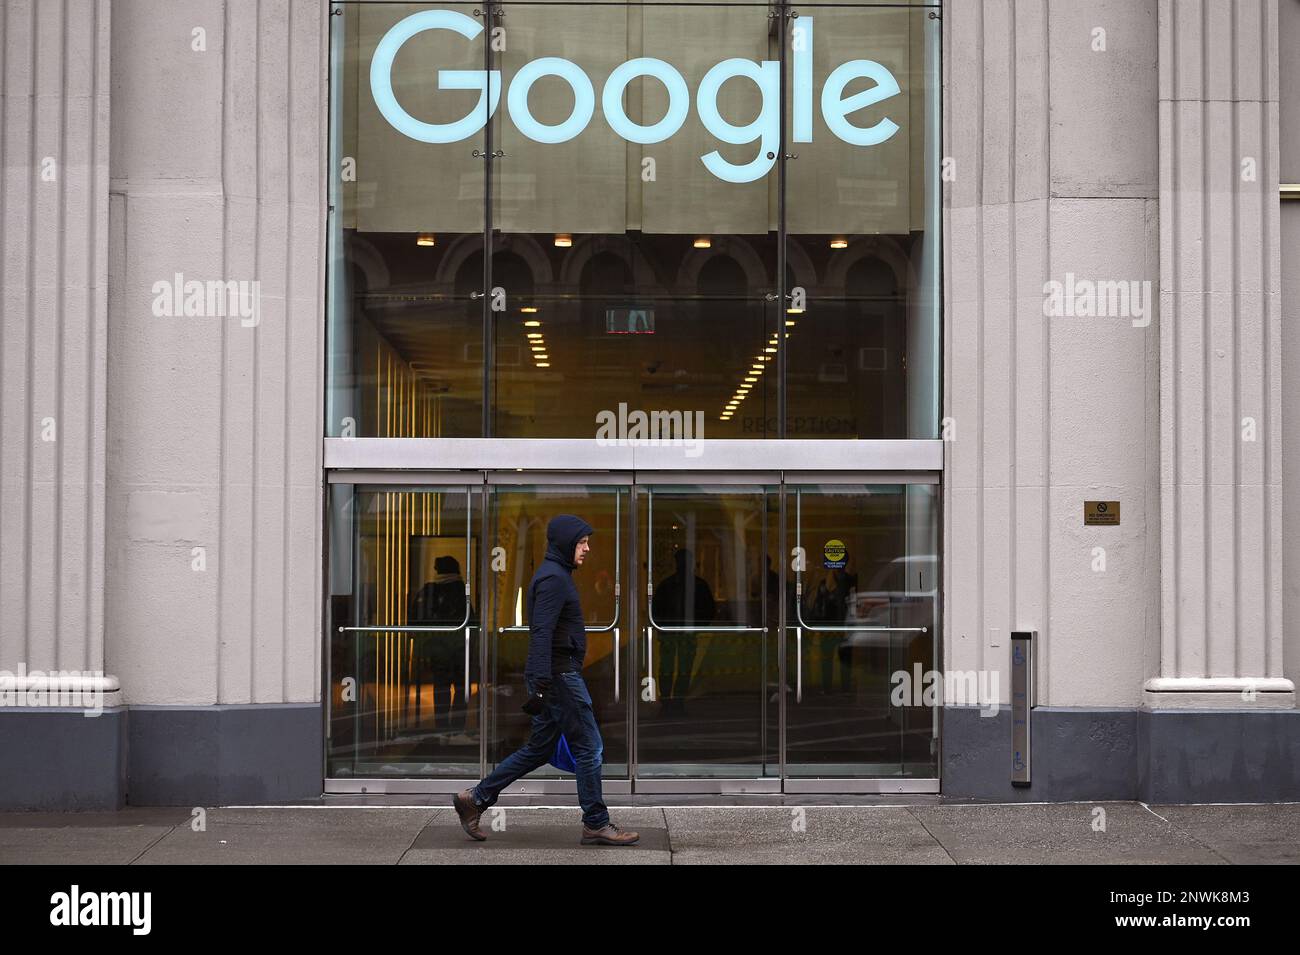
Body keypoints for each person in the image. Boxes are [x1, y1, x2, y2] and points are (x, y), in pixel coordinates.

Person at [453, 515, 639, 846]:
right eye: (582, 542)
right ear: (567, 543)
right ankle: (596, 822)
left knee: (539, 749)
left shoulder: (557, 575)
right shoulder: (553, 579)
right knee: (589, 747)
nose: (587, 548)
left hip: (556, 675)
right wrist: (541, 682)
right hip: (558, 676)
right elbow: (541, 631)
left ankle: (475, 799)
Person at [408, 555, 476, 735]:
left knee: (441, 687)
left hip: (437, 647)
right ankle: (457, 727)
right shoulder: (461, 590)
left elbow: (415, 619)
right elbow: (472, 620)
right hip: (460, 648)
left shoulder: (429, 590)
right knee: (461, 688)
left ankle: (442, 726)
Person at [651, 548, 715, 717]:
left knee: (670, 667)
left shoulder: (667, 585)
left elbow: (656, 610)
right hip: (681, 633)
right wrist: (698, 626)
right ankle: (675, 702)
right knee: (678, 667)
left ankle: (670, 702)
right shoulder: (698, 585)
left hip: (672, 633)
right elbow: (709, 609)